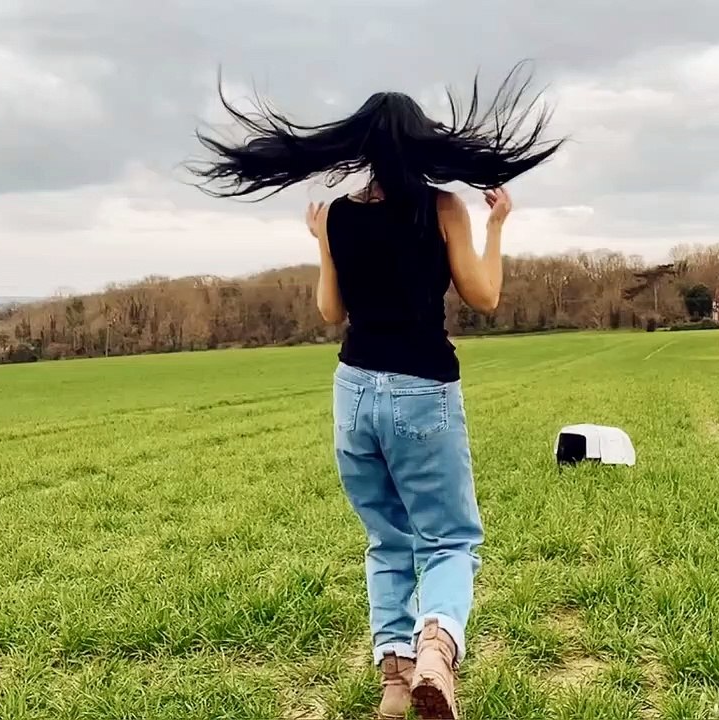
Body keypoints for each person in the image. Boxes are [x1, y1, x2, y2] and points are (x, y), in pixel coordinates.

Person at [192, 63, 562, 720]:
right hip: (423, 389)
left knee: (387, 540)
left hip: (353, 393)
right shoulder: (442, 207)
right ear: (420, 145)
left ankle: (394, 684)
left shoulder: (336, 214)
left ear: (360, 145)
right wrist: (498, 226)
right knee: (449, 539)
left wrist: (323, 245)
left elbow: (331, 313)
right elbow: (485, 295)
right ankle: (437, 650)